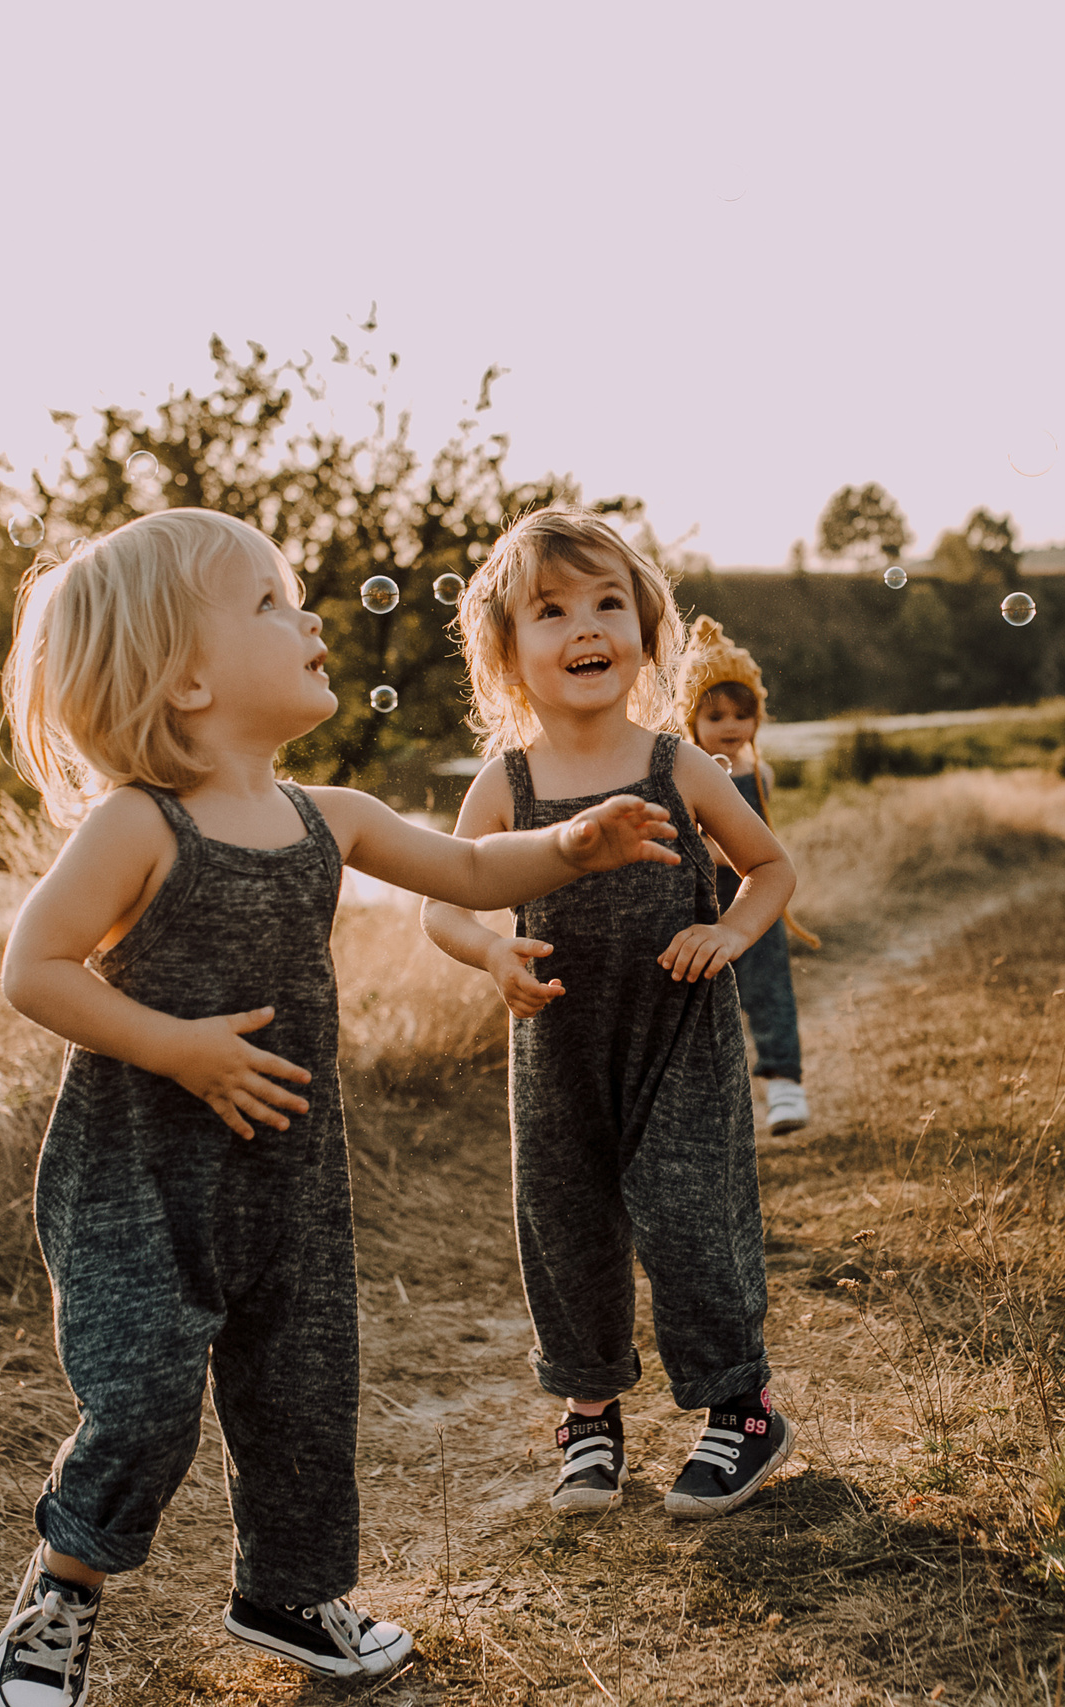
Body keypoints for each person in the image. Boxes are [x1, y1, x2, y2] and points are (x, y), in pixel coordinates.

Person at [0, 509, 679, 1704]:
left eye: (297, 595)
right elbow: (32, 969)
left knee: (305, 1396)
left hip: (287, 1180)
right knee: (145, 1402)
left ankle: (288, 1593)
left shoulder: (330, 815)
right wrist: (178, 1048)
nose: (306, 619)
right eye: (267, 602)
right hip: (138, 1183)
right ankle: (62, 1594)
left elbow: (469, 872)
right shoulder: (139, 826)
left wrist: (572, 840)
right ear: (187, 674)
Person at [420, 506, 800, 1521]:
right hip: (556, 1047)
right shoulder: (505, 785)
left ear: (644, 629)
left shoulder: (678, 765)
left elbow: (767, 867)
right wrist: (493, 948)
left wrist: (729, 932)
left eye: (605, 604)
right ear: (507, 651)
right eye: (550, 611)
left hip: (677, 1035)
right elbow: (446, 901)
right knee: (565, 1224)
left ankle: (741, 1409)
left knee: (688, 1220)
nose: (583, 627)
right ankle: (589, 1412)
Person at [677, 616, 820, 1135]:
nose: (731, 726)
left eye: (743, 714)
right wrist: (716, 852)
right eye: (715, 715)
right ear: (691, 719)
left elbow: (759, 844)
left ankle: (785, 1085)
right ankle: (704, 1104)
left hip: (755, 899)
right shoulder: (686, 775)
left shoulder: (760, 774)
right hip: (699, 902)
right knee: (700, 1002)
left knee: (770, 988)